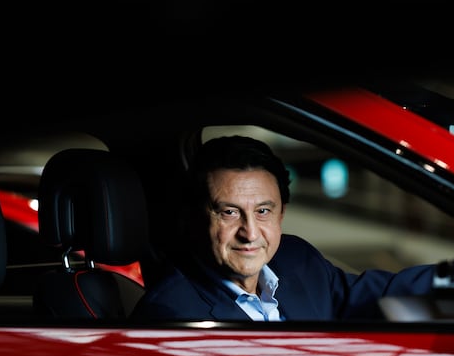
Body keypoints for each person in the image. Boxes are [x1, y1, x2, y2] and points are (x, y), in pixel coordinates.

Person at [131, 134, 436, 321]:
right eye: (229, 213)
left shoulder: (296, 259)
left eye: (263, 211)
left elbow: (380, 294)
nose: (250, 233)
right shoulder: (169, 317)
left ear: (281, 214)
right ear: (195, 217)